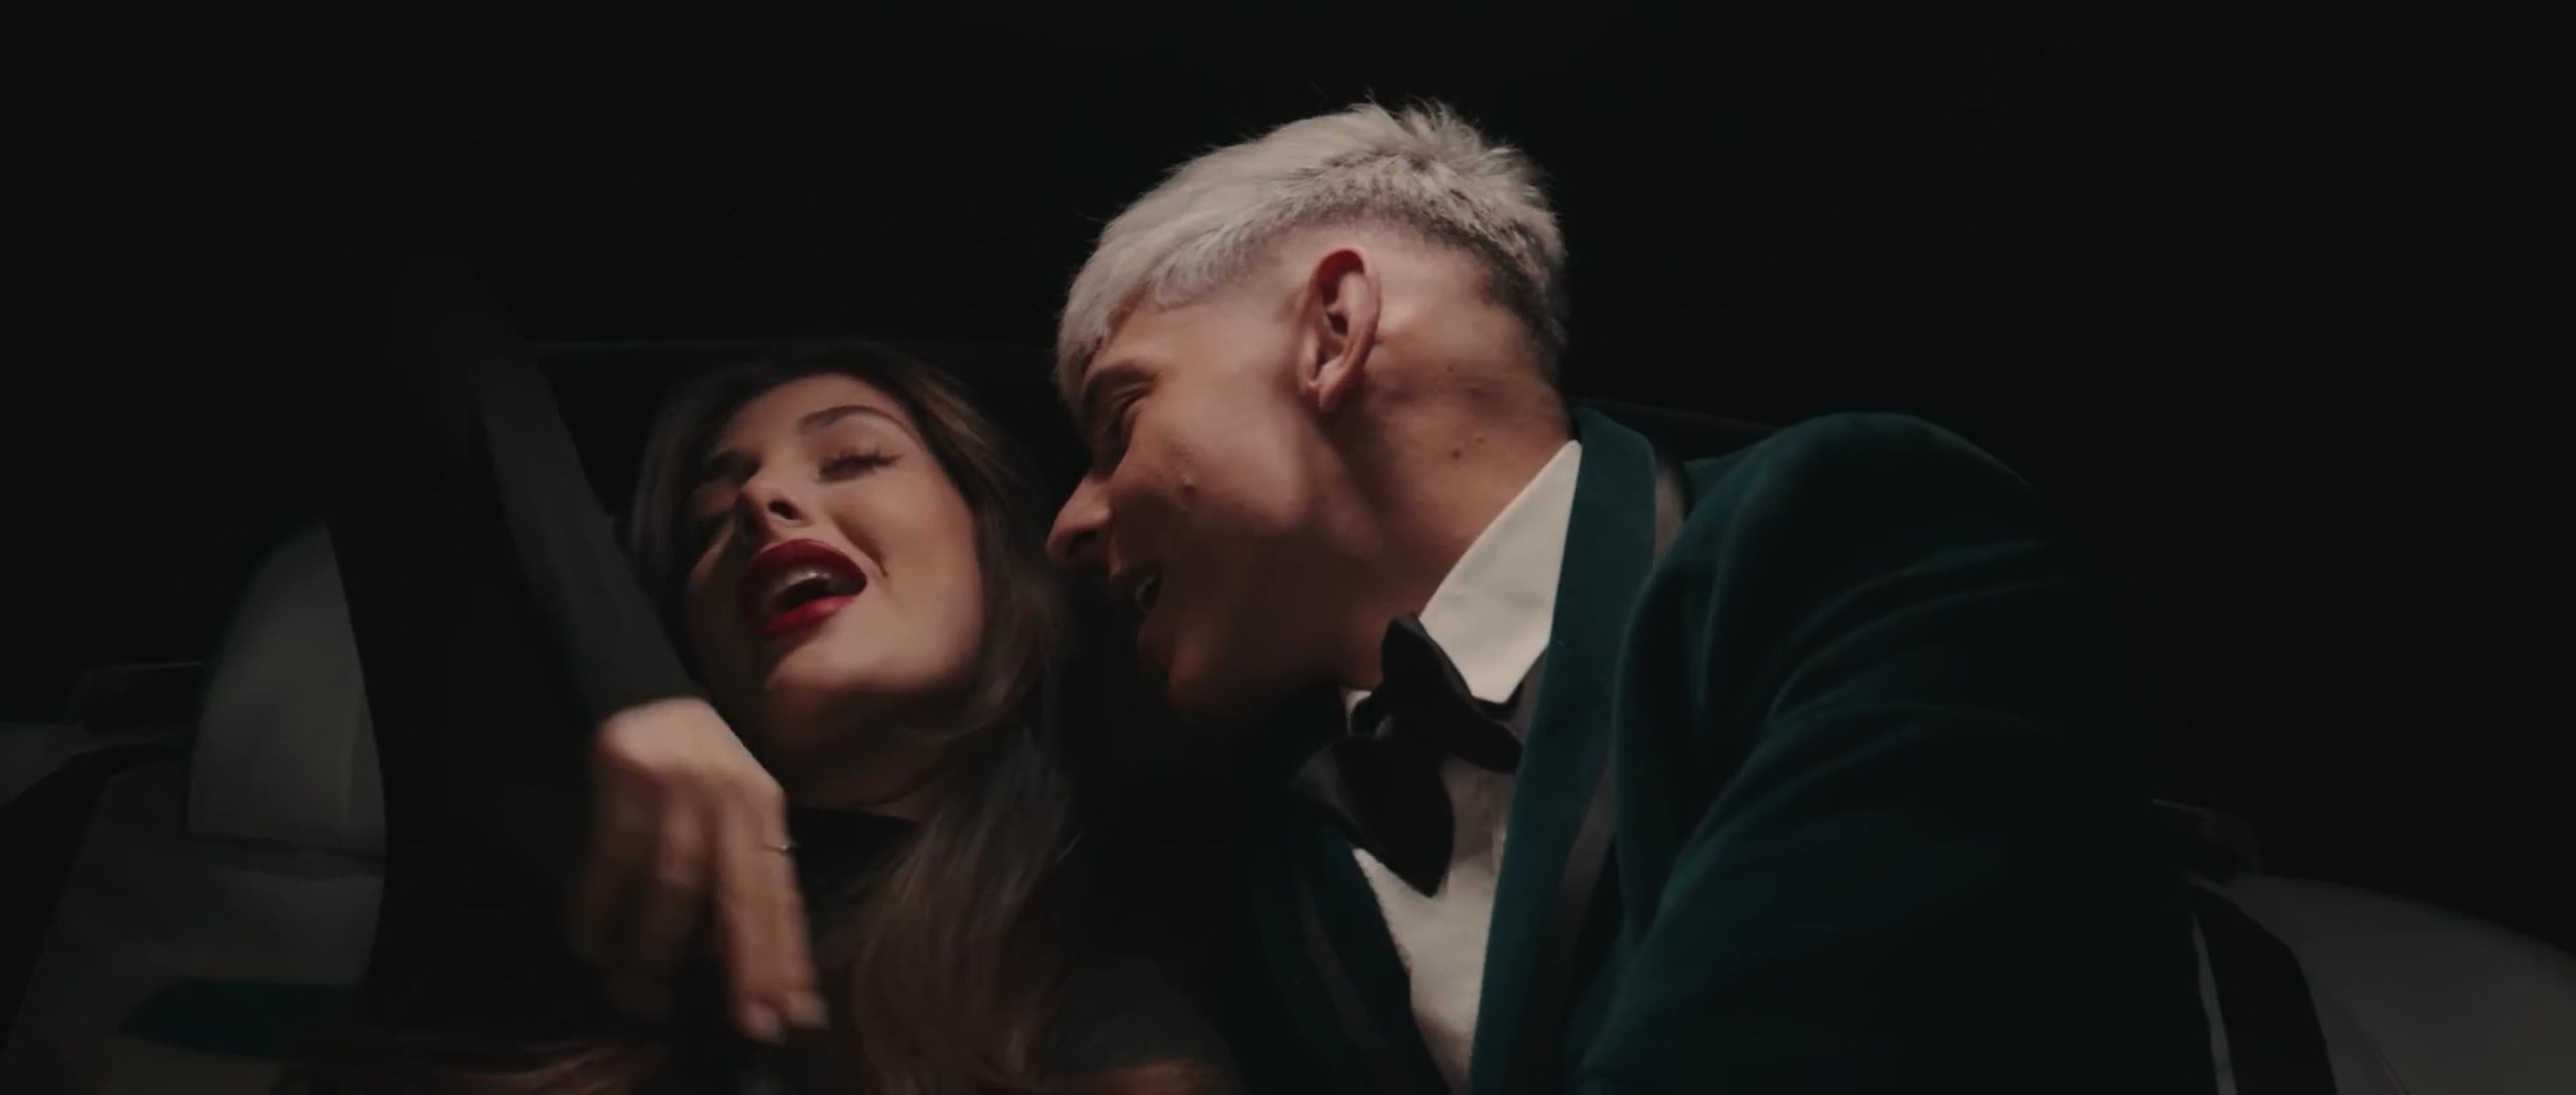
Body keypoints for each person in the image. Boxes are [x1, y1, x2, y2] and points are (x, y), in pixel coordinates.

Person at [1029, 102, 2220, 1093]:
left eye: (1121, 420)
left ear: (1334, 330)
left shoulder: (1859, 534)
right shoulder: (1261, 856)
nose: (1069, 525)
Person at [304, 234, 1240, 1093]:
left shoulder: (1092, 1001)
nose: (763, 499)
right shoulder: (561, 879)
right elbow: (371, 272)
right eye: (709, 521)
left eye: (854, 458)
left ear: (1003, 566)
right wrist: (632, 690)